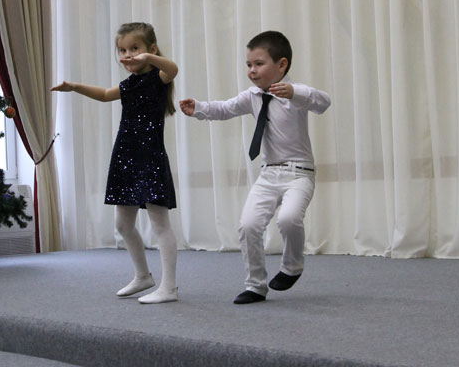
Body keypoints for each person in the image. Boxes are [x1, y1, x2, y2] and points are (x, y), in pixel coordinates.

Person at [180, 31, 331, 304]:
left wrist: (295, 92)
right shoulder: (252, 96)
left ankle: (292, 266)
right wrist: (199, 108)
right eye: (249, 64)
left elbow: (323, 102)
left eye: (259, 64)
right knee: (248, 225)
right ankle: (255, 285)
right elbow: (225, 108)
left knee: (288, 219)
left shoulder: (296, 95)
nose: (252, 70)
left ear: (281, 65)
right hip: (268, 173)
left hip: (299, 173)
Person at [52, 22, 179, 304]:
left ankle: (169, 287)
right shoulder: (129, 84)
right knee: (123, 224)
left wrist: (150, 58)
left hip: (149, 157)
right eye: (122, 50)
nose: (128, 55)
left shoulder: (158, 78)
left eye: (134, 48)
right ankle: (143, 276)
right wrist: (74, 87)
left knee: (160, 224)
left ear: (151, 49)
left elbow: (173, 69)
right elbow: (105, 95)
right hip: (126, 156)